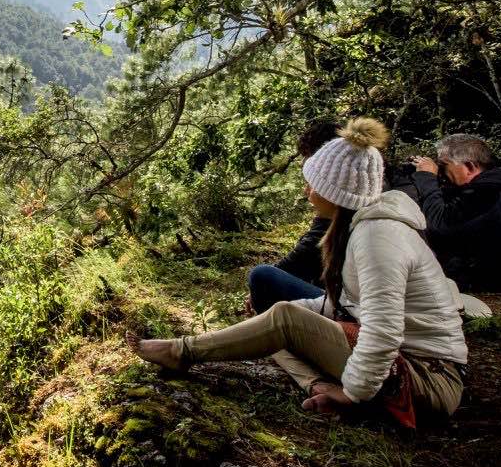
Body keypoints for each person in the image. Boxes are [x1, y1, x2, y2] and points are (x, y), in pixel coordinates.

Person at [138, 118, 469, 424]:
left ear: (332, 191)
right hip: (410, 366)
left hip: (428, 377)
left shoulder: (377, 237)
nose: (306, 191)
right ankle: (318, 388)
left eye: (312, 184)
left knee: (281, 318)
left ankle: (181, 352)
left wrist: (353, 393)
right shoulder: (354, 230)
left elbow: (384, 331)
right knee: (272, 326)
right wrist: (278, 319)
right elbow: (343, 306)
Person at [398, 133, 501, 292]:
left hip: (484, 281)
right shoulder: (493, 189)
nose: (440, 172)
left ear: (469, 167)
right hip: (485, 276)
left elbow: (439, 224)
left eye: (443, 166)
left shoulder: (488, 194)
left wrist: (426, 177)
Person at [244, 119, 344, 314]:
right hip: (345, 304)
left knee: (263, 277)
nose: (307, 190)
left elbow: (308, 252)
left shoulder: (354, 209)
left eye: (312, 181)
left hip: (355, 318)